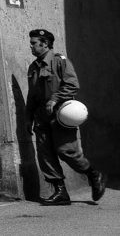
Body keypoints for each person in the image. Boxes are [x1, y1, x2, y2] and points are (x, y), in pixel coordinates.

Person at [26, 28, 106, 205]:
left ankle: (93, 174)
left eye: (33, 43)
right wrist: (27, 119)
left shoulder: (60, 62)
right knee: (45, 155)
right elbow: (32, 97)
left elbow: (72, 85)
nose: (31, 46)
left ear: (45, 43)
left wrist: (55, 98)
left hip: (61, 116)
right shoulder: (33, 67)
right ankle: (60, 192)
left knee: (66, 151)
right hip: (41, 118)